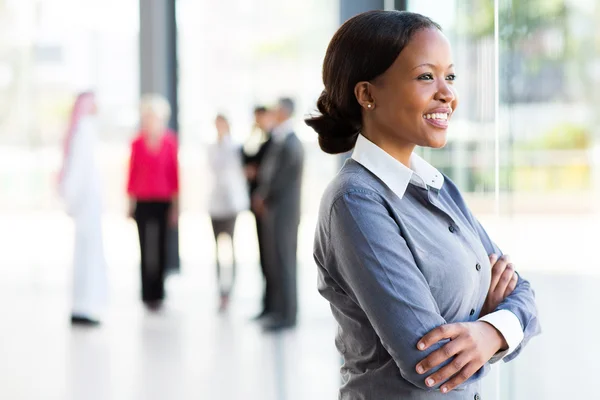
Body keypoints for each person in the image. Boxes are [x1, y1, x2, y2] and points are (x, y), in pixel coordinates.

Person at [305, 11, 540, 399]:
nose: (446, 93)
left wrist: (490, 330)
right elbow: (430, 361)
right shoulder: (355, 202)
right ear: (367, 94)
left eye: (450, 76)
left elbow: (522, 291)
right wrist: (488, 323)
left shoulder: (437, 186)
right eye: (426, 76)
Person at [254, 98, 304, 332]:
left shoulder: (292, 143)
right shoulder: (279, 139)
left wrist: (266, 195)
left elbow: (282, 179)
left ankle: (288, 315)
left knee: (285, 261)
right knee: (274, 260)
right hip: (275, 211)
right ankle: (276, 310)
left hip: (285, 212)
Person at [58, 91, 108, 326]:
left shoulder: (84, 130)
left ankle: (86, 304)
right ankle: (84, 306)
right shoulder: (85, 130)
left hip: (88, 205)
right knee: (87, 256)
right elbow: (78, 170)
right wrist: (71, 198)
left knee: (87, 255)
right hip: (85, 205)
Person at [127, 94, 179, 311]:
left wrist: (176, 206)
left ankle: (159, 291)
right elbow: (131, 172)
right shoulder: (137, 142)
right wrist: (129, 203)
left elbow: (174, 175)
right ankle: (146, 291)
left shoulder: (169, 141)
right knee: (144, 247)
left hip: (163, 199)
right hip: (142, 199)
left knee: (161, 246)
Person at [207, 115, 249, 312]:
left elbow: (234, 171)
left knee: (230, 248)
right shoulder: (211, 147)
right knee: (217, 249)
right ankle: (219, 290)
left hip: (231, 205)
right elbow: (214, 168)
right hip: (215, 204)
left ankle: (230, 290)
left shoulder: (235, 147)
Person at [242, 106, 274, 320]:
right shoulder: (258, 139)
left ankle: (271, 304)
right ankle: (266, 303)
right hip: (256, 203)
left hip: (268, 205)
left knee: (270, 257)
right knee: (263, 256)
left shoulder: (274, 142)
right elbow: (246, 154)